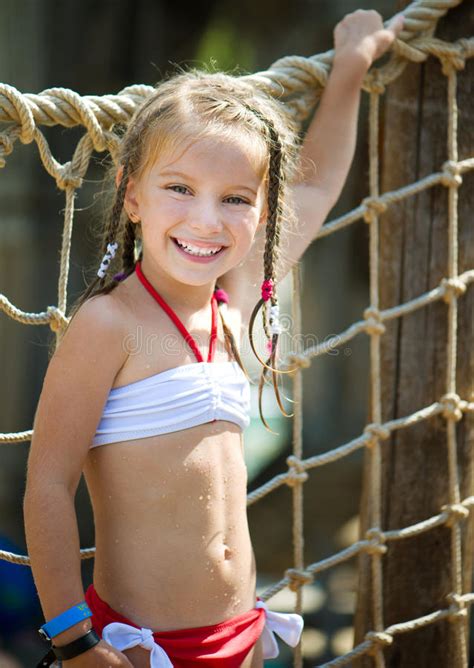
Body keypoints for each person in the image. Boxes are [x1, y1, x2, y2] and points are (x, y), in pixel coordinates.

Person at [24, 9, 404, 668]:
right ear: (133, 194)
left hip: (243, 635)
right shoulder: (109, 324)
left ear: (262, 210)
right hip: (141, 647)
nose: (207, 219)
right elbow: (48, 485)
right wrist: (74, 636)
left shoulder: (230, 294)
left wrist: (350, 67)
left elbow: (314, 185)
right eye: (179, 188)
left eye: (235, 198)